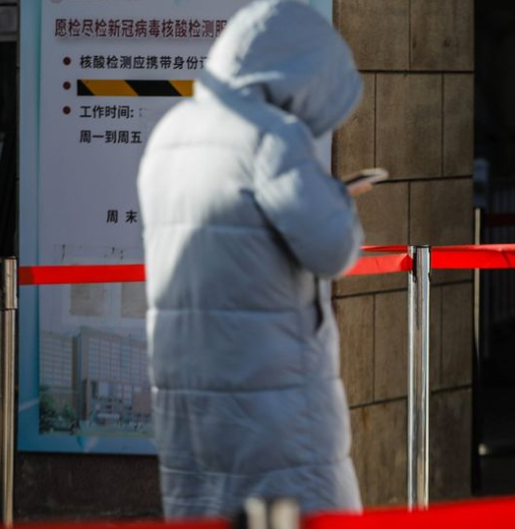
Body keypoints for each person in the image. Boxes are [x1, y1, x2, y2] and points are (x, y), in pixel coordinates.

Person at [137, 0, 366, 518]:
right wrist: (338, 197)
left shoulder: (170, 133)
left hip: (187, 400)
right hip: (270, 403)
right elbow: (333, 249)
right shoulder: (271, 136)